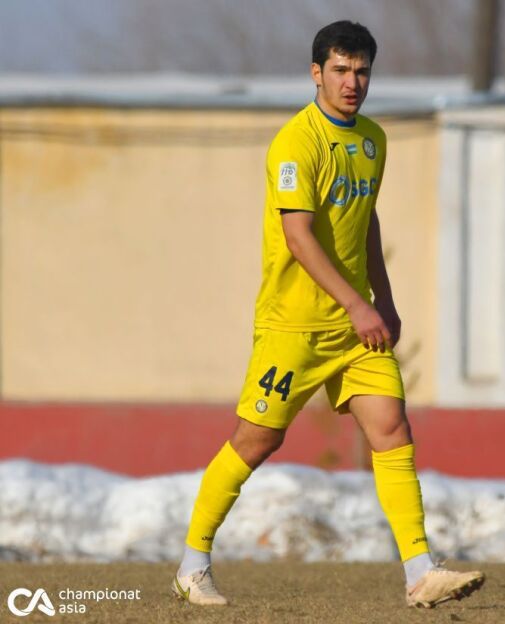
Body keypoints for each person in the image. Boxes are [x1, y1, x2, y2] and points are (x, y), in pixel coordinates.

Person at [170, 20, 484, 610]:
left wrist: (383, 299)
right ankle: (192, 565)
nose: (352, 82)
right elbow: (298, 237)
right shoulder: (296, 143)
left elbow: (366, 223)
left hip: (354, 329)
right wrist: (360, 304)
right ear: (316, 73)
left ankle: (421, 571)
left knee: (391, 429)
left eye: (361, 71)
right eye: (340, 70)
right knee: (256, 440)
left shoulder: (373, 140)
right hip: (293, 327)